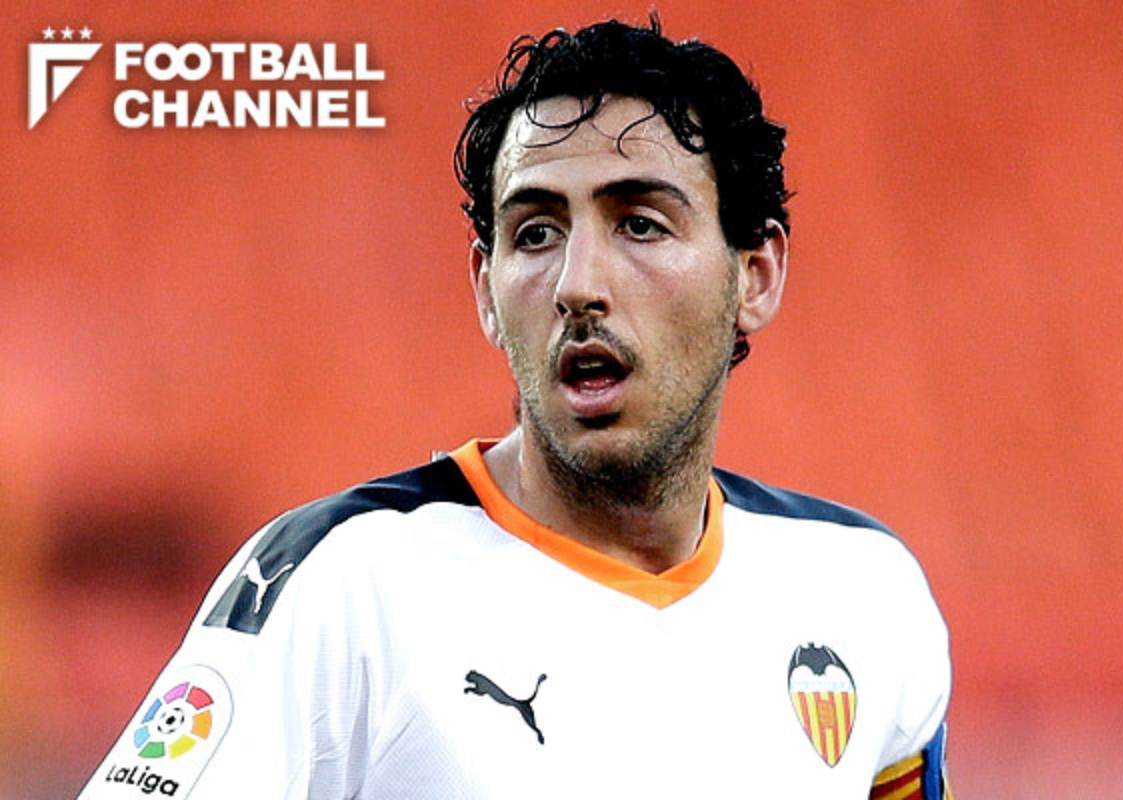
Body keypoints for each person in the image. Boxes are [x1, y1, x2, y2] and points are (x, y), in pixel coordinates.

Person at [80, 17, 951, 799]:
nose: (578, 284)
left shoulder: (865, 594)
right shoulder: (343, 585)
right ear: (485, 291)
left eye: (640, 224)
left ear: (755, 275)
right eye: (536, 233)